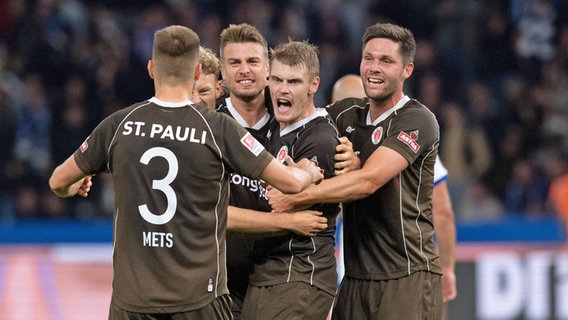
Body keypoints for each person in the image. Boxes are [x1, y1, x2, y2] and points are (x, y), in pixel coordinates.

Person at [48, 25, 323, 320]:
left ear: (152, 68)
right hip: (199, 300)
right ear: (196, 72)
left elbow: (58, 182)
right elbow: (291, 184)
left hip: (132, 302)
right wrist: (307, 170)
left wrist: (74, 186)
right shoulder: (218, 128)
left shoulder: (118, 125)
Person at [268, 23, 442, 319]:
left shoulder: (417, 119)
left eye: (386, 61)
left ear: (407, 70)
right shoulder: (346, 113)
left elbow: (369, 181)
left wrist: (298, 195)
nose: (374, 68)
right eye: (369, 58)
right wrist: (306, 169)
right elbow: (303, 121)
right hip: (354, 277)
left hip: (407, 274)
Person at [331, 74, 458, 304]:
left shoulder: (322, 143)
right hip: (401, 267)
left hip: (343, 270)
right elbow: (442, 211)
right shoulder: (407, 137)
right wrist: (447, 267)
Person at [237, 39, 341, 320]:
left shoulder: (319, 138)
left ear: (313, 85)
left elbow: (278, 202)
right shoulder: (275, 129)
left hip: (300, 272)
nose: (283, 89)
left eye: (294, 82)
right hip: (269, 274)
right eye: (277, 79)